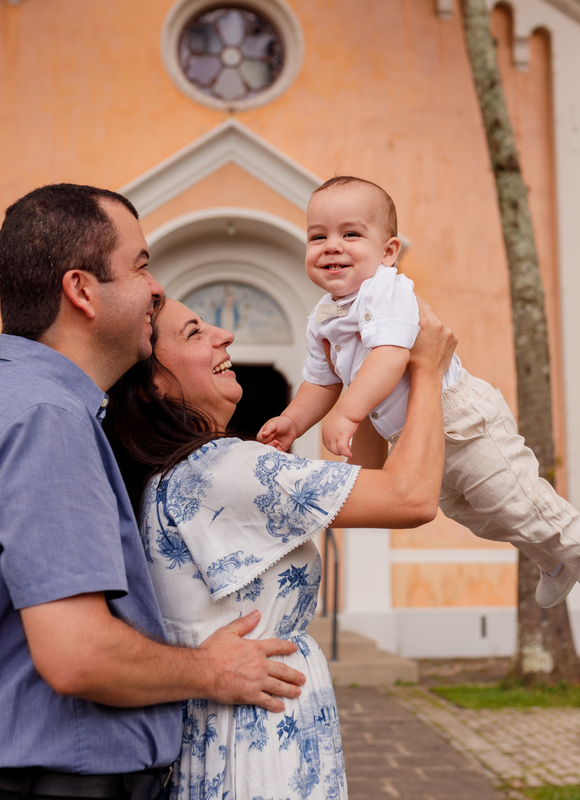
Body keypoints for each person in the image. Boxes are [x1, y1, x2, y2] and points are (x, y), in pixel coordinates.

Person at [0, 184, 308, 800]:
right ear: (81, 290)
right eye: (140, 266)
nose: (156, 288)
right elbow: (78, 655)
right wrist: (210, 670)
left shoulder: (26, 403)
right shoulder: (44, 417)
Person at [105, 294, 457, 800]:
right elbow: (412, 497)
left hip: (234, 730)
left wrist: (365, 384)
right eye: (194, 332)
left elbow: (374, 480)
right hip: (259, 745)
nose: (223, 335)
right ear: (154, 387)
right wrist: (424, 366)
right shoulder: (223, 469)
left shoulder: (181, 474)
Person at [257, 176, 580, 631]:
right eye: (319, 236)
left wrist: (349, 412)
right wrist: (293, 421)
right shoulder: (323, 316)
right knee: (480, 514)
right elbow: (321, 380)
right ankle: (553, 560)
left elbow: (391, 357)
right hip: (418, 433)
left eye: (350, 234)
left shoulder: (385, 291)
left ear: (388, 251)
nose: (332, 246)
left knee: (518, 499)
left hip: (461, 418)